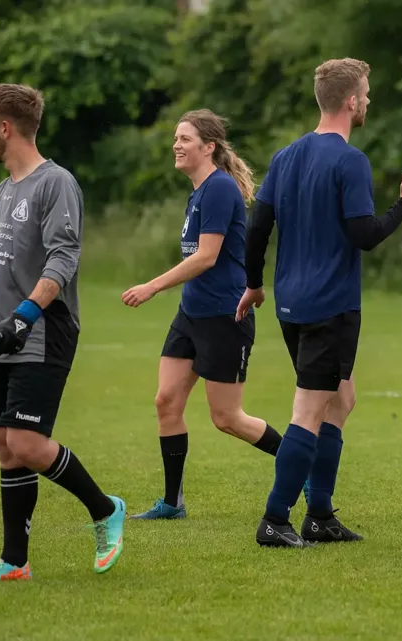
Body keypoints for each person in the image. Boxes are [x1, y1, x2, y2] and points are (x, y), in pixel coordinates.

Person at [237, 57, 402, 547]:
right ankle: (275, 519)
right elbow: (364, 235)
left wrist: (255, 283)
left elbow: (258, 227)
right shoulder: (350, 161)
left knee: (340, 400)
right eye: (365, 94)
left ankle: (320, 516)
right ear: (350, 101)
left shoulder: (285, 157)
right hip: (331, 306)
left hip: (291, 304)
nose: (368, 101)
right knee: (309, 410)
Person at [0, 83, 125, 584]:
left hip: (42, 329)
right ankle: (15, 562)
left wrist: (25, 316)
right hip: (2, 331)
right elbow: (2, 271)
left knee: (27, 442)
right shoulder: (1, 192)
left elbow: (64, 258)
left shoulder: (56, 184)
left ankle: (104, 509)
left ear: (5, 128)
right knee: (6, 447)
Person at [121, 109, 282, 520]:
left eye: (185, 139)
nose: (176, 145)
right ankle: (172, 503)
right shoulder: (198, 192)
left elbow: (207, 257)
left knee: (226, 417)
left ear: (208, 147)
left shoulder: (218, 190)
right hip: (192, 313)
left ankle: (303, 463)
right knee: (166, 401)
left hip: (224, 317)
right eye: (175, 138)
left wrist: (152, 285)